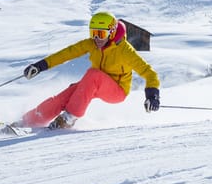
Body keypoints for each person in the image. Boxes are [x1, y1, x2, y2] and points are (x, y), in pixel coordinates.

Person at [15, 11, 161, 129]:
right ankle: (30, 120)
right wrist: (40, 65)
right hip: (94, 83)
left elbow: (149, 73)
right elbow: (67, 53)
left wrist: (152, 95)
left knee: (93, 75)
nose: (96, 38)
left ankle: (69, 118)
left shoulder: (125, 51)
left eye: (101, 34)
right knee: (66, 95)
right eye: (93, 33)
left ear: (111, 32)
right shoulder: (91, 44)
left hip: (117, 90)